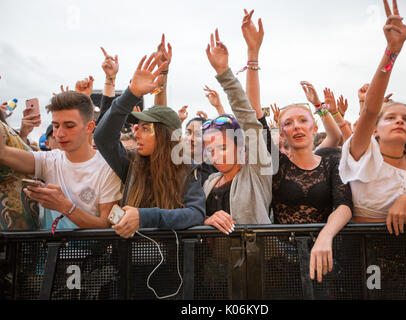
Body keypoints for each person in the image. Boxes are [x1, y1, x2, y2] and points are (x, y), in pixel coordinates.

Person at [241, 9, 353, 283]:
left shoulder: (329, 159)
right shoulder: (276, 163)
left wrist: (326, 234)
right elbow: (253, 113)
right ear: (282, 132)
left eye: (303, 120)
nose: (297, 127)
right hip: (282, 260)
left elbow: (344, 205)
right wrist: (253, 55)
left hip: (327, 254)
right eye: (288, 123)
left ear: (314, 127)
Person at [339, 1, 406, 236]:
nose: (400, 121)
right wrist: (392, 52)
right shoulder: (362, 153)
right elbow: (369, 111)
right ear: (375, 129)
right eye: (390, 118)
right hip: (364, 252)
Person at [94, 51, 206, 238]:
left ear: (164, 135)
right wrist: (131, 94)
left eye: (146, 129)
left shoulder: (187, 169)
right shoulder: (131, 162)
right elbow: (103, 138)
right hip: (128, 259)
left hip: (171, 263)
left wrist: (145, 217)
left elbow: (195, 214)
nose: (136, 134)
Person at [0, 90, 123, 231]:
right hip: (48, 250)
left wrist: (64, 206)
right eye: (56, 126)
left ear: (89, 127)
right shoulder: (50, 159)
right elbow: (3, 154)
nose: (60, 134)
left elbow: (105, 225)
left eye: (69, 126)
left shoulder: (106, 167)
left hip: (90, 252)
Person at [201, 28, 272, 235]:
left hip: (256, 260)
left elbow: (248, 118)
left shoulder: (257, 171)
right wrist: (206, 220)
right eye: (210, 150)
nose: (215, 155)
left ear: (241, 147)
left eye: (222, 147)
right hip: (213, 264)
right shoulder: (210, 181)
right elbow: (194, 215)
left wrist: (225, 75)